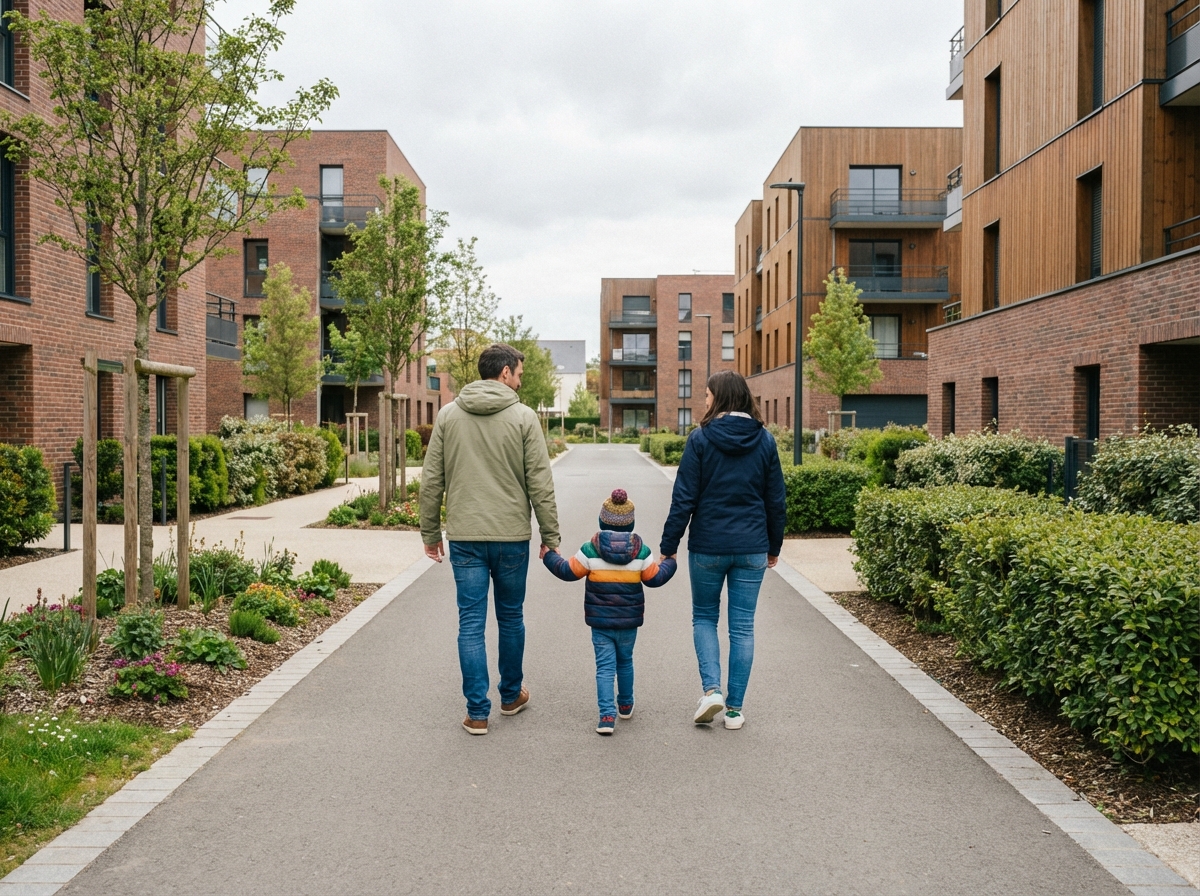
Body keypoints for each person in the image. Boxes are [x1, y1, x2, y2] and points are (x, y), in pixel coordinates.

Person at [419, 343, 561, 736]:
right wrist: (550, 536)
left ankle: (478, 712)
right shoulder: (523, 417)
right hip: (512, 537)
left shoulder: (448, 416)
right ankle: (511, 695)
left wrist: (430, 534)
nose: (519, 382)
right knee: (511, 617)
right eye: (518, 374)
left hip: (465, 537)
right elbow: (540, 483)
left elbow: (432, 480)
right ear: (504, 374)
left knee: (470, 623)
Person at [659, 370, 786, 730]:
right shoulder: (765, 441)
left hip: (708, 547)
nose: (704, 401)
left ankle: (712, 690)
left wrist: (669, 547)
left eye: (706, 395)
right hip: (751, 548)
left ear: (720, 398)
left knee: (704, 617)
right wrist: (773, 546)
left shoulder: (700, 439)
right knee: (742, 628)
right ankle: (734, 710)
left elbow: (683, 498)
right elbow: (776, 500)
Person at [543, 489, 677, 735]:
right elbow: (655, 578)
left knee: (604, 667)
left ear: (601, 520)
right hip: (628, 622)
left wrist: (549, 555)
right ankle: (625, 704)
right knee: (625, 661)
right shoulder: (641, 551)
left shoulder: (590, 549)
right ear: (632, 522)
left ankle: (606, 716)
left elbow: (566, 571)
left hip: (601, 623)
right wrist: (671, 561)